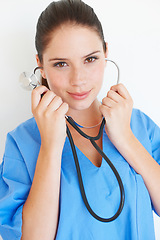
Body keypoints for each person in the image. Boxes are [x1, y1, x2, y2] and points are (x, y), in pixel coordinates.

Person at [0, 0, 160, 239]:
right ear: (40, 66)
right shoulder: (22, 143)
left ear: (106, 53)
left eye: (90, 59)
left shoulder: (139, 126)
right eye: (61, 64)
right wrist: (51, 146)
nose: (79, 80)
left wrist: (126, 139)